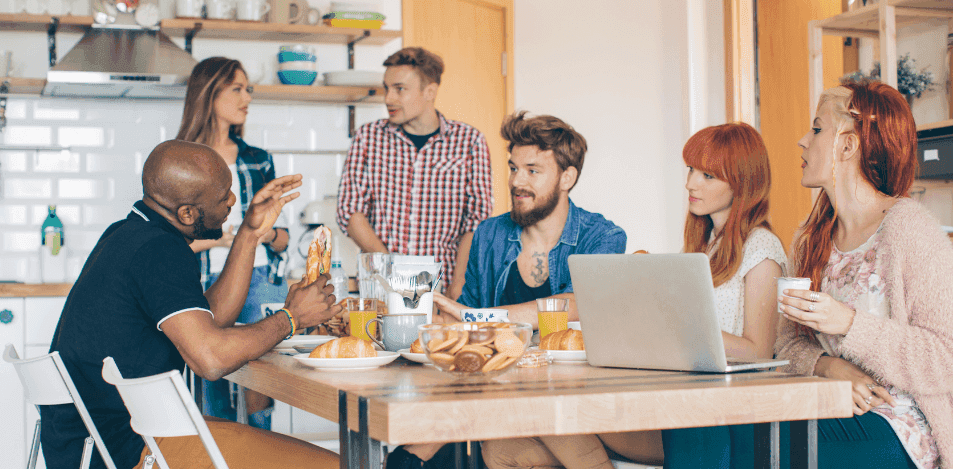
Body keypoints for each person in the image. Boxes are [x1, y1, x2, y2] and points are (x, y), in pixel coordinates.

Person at [666, 81, 953, 469]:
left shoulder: (909, 229)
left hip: (898, 426)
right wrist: (827, 365)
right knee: (695, 418)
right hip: (825, 404)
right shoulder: (810, 237)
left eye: (817, 128)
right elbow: (786, 344)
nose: (803, 140)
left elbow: (945, 359)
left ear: (848, 146)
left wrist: (850, 325)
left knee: (743, 440)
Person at [480, 122, 787, 469]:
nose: (690, 183)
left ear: (742, 182)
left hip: (715, 412)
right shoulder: (706, 245)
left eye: (707, 176)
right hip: (679, 397)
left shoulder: (761, 247)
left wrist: (675, 330)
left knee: (551, 407)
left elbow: (759, 351)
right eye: (690, 170)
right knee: (501, 449)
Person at [41, 140, 342, 469]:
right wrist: (291, 318)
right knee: (337, 465)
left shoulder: (129, 234)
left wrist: (250, 233)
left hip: (92, 442)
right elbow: (211, 359)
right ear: (186, 213)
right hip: (128, 448)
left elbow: (210, 319)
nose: (233, 200)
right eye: (222, 195)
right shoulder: (160, 251)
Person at [385, 112, 627, 469]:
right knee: (498, 445)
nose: (517, 181)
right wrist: (418, 316)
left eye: (533, 170)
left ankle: (414, 452)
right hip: (502, 393)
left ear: (568, 177)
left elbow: (580, 303)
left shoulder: (602, 236)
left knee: (493, 438)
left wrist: (484, 318)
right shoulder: (490, 234)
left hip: (574, 396)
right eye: (514, 168)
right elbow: (466, 315)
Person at [175, 56, 289, 430]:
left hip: (258, 283)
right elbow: (168, 244)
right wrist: (221, 240)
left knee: (262, 380)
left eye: (249, 89)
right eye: (237, 88)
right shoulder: (180, 161)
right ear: (209, 94)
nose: (247, 98)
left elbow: (282, 239)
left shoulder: (258, 160)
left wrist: (260, 233)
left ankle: (260, 445)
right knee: (212, 380)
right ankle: (221, 448)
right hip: (201, 285)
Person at [336, 46, 493, 299]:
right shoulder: (368, 137)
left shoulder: (469, 141)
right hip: (380, 286)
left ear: (429, 91)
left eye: (399, 89)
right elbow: (350, 212)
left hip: (443, 286)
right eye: (386, 88)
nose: (388, 99)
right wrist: (394, 272)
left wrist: (459, 284)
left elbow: (475, 222)